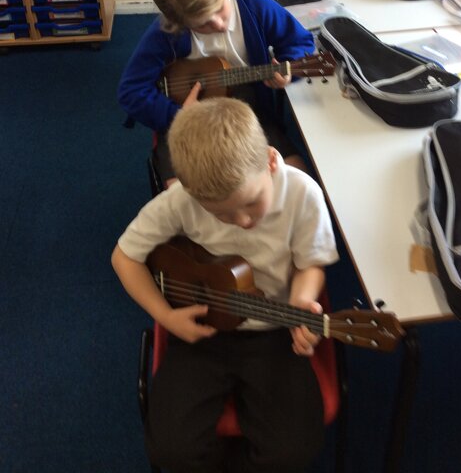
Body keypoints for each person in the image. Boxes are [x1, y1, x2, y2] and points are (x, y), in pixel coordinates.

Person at [111, 97, 339, 473]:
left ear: (270, 161)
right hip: (205, 329)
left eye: (251, 203)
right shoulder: (181, 200)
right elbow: (124, 257)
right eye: (221, 214)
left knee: (294, 450)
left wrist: (301, 300)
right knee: (169, 451)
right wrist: (166, 316)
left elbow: (311, 264)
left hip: (273, 331)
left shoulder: (303, 194)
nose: (242, 221)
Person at [117, 0, 315, 183]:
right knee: (184, 195)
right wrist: (179, 115)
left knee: (299, 180)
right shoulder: (166, 32)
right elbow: (131, 91)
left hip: (248, 111)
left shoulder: (254, 6)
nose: (219, 24)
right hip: (187, 123)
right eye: (203, 25)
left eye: (220, 9)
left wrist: (287, 67)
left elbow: (300, 42)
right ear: (177, 22)